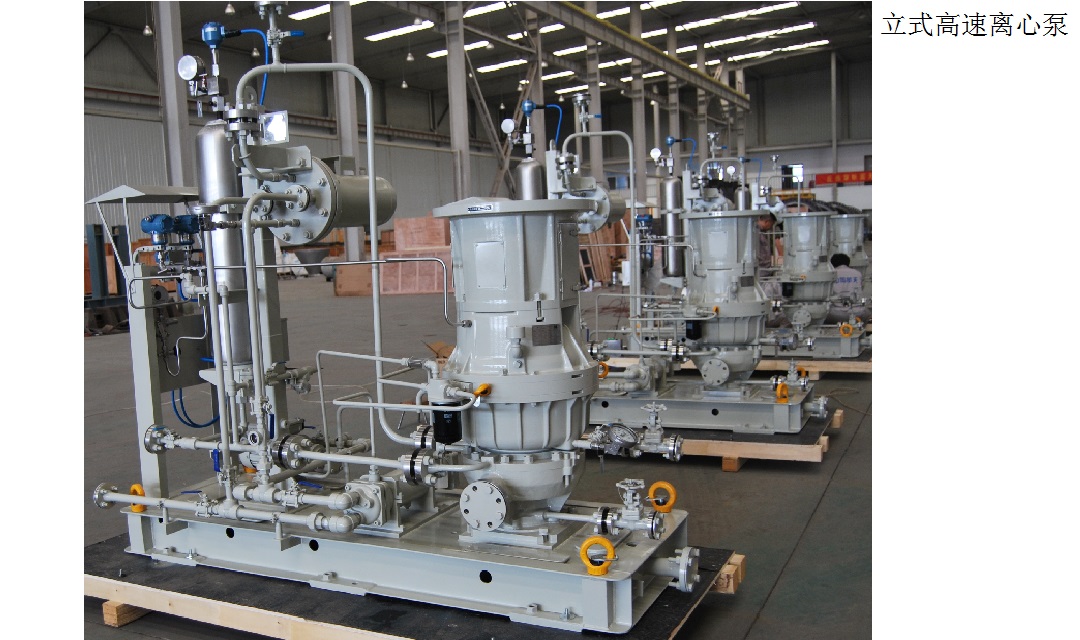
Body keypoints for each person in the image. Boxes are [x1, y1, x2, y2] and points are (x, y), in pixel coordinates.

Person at [825, 253, 868, 324]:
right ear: (848, 262)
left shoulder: (831, 274)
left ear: (832, 264)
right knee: (867, 312)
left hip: (835, 314)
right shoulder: (857, 273)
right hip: (857, 313)